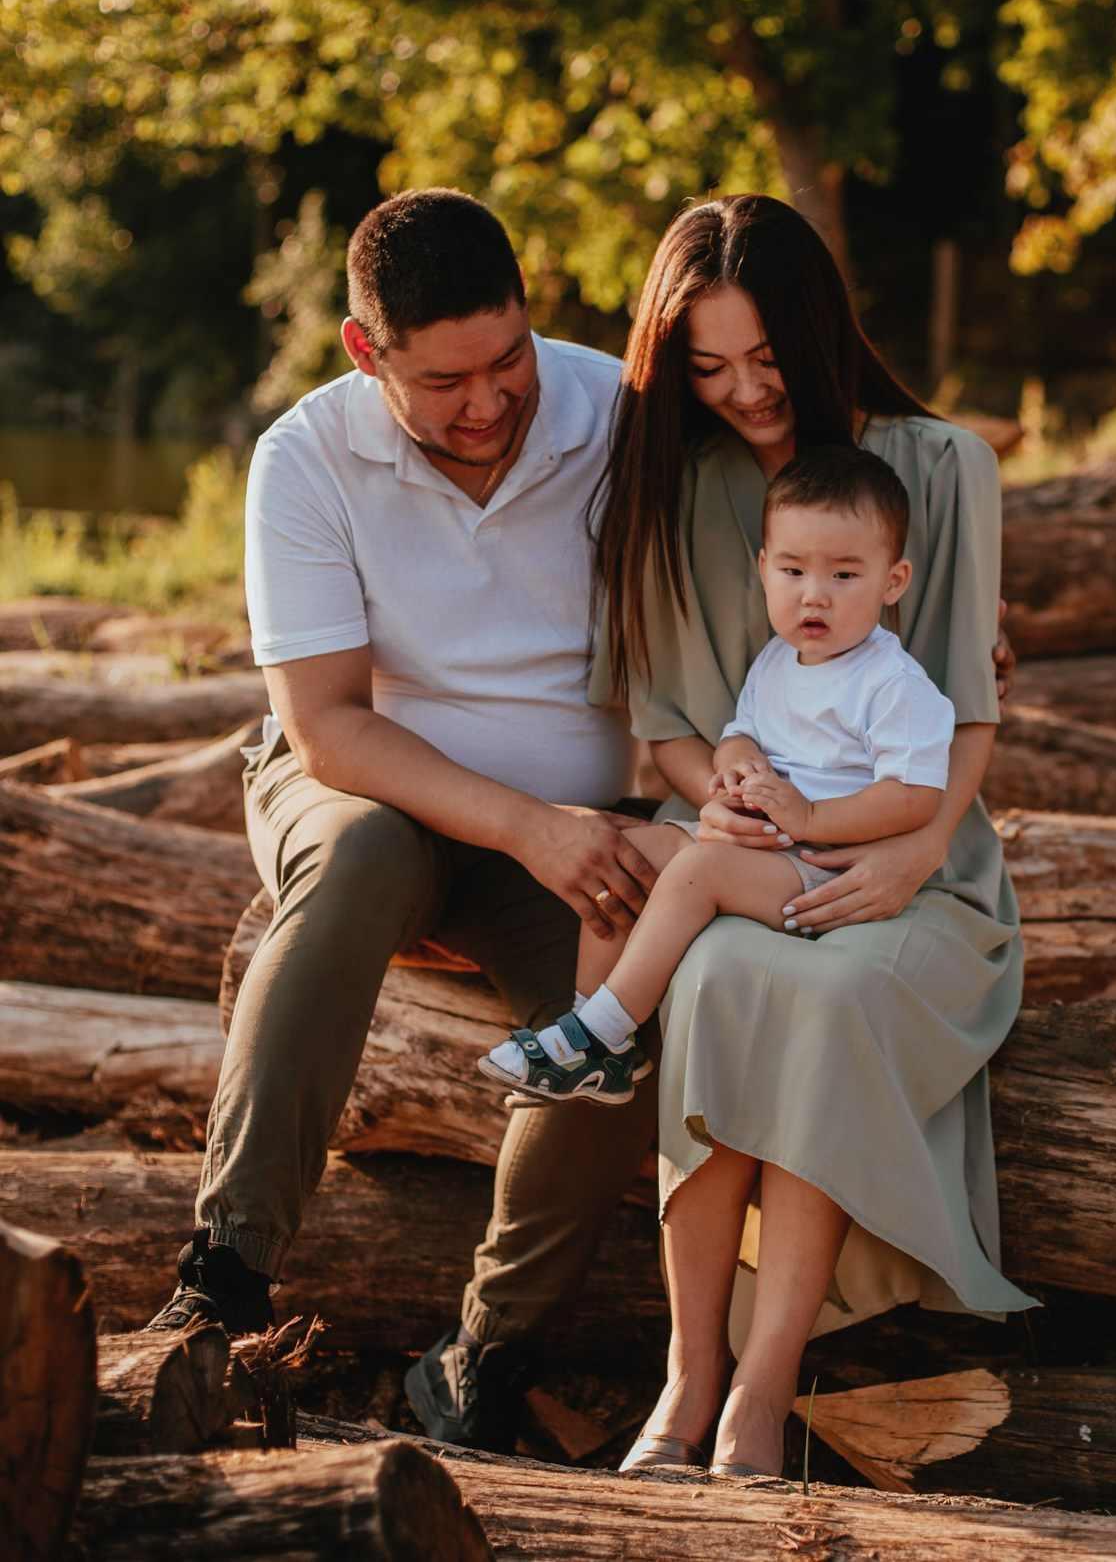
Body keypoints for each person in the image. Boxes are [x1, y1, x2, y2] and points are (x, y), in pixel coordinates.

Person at [145, 187, 664, 1452]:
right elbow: (330, 723)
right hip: (362, 786)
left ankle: (482, 1354)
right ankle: (221, 1280)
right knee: (367, 848)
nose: (487, 404)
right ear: (363, 350)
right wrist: (529, 824)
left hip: (570, 830)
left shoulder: (619, 414)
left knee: (634, 1010)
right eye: (445, 381)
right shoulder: (304, 457)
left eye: (508, 360)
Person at [587, 192, 1035, 1481]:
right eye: (706, 365)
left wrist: (906, 853)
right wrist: (720, 778)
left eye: (765, 359)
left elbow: (964, 708)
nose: (740, 391)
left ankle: (762, 1389)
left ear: (819, 332)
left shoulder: (945, 466)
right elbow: (672, 726)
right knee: (723, 974)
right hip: (730, 853)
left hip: (921, 855)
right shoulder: (671, 488)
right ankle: (688, 1370)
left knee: (833, 1000)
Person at [477, 446, 956, 1107]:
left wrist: (810, 819)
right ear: (763, 568)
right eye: (792, 569)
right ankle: (597, 1040)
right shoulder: (777, 659)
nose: (813, 593)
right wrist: (733, 771)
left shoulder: (891, 683)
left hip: (823, 866)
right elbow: (740, 735)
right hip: (761, 843)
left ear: (892, 580)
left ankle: (597, 1032)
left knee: (696, 873)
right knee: (621, 854)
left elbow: (914, 797)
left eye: (845, 574)